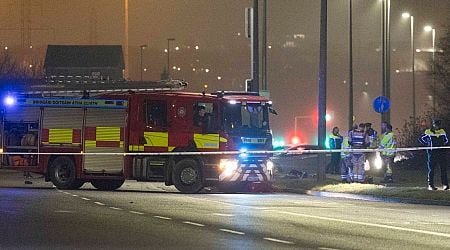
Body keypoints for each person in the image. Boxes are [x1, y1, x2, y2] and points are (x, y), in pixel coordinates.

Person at [418, 119, 449, 191]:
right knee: (431, 170)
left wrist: (443, 144)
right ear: (433, 124)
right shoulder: (428, 132)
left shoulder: (442, 131)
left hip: (441, 153)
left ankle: (445, 185)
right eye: (435, 125)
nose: (437, 126)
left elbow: (446, 140)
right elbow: (420, 138)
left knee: (443, 169)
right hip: (432, 153)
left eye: (438, 125)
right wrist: (427, 143)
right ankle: (430, 185)